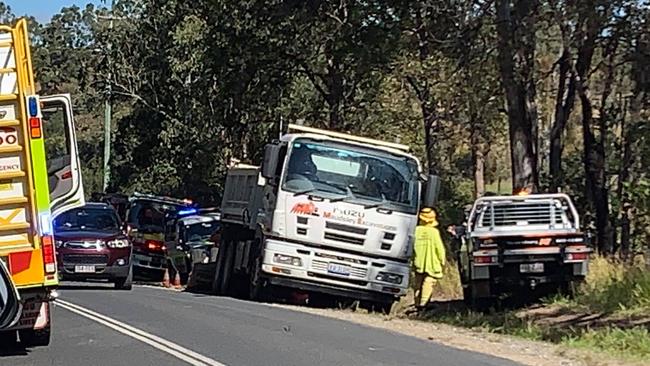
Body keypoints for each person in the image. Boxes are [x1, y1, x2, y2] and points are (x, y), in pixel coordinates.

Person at [413, 207, 446, 310]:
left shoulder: (416, 230)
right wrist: (442, 260)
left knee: (418, 283)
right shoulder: (434, 232)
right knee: (428, 284)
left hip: (418, 262)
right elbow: (439, 248)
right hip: (432, 264)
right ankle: (423, 305)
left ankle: (417, 303)